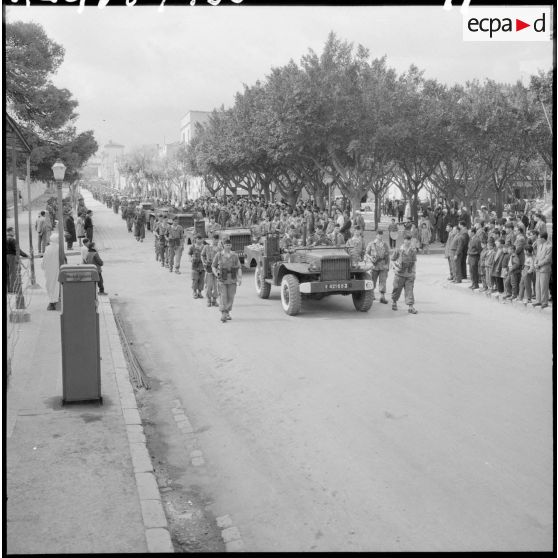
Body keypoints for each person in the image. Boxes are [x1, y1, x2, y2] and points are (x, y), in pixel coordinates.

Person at [212, 238, 242, 323]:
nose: (227, 246)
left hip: (232, 278)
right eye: (226, 245)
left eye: (229, 245)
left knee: (231, 296)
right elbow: (213, 266)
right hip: (222, 278)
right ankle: (223, 313)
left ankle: (227, 311)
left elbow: (239, 267)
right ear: (223, 246)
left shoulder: (234, 255)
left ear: (231, 246)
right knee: (223, 296)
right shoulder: (219, 255)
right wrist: (215, 274)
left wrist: (240, 277)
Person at [391, 232, 418, 314]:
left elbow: (414, 262)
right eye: (407, 240)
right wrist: (395, 267)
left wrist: (414, 273)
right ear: (404, 240)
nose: (408, 242)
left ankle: (410, 306)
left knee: (409, 290)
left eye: (410, 240)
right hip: (399, 274)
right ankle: (394, 302)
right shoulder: (398, 250)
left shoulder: (413, 251)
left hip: (409, 274)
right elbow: (392, 260)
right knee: (397, 290)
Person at [365, 229, 390, 304]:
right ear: (376, 235)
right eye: (379, 234)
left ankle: (382, 297)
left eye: (381, 234)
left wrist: (387, 265)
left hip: (383, 265)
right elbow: (366, 253)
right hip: (374, 265)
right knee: (373, 281)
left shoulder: (385, 244)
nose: (380, 236)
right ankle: (372, 295)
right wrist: (370, 258)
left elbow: (387, 256)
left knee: (383, 281)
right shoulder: (371, 244)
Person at [41, 232, 61, 310]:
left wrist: (43, 266)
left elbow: (44, 260)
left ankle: (51, 301)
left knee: (49, 285)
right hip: (56, 269)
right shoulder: (59, 248)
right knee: (56, 285)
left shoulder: (48, 248)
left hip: (49, 270)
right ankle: (54, 302)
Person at [6, 227, 29, 294]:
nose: (14, 233)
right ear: (9, 232)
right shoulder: (12, 240)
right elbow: (18, 250)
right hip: (12, 257)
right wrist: (26, 255)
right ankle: (13, 289)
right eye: (13, 231)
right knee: (12, 273)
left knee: (7, 274)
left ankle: (9, 289)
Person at [532, 231, 552, 309]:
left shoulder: (549, 246)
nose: (538, 239)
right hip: (538, 268)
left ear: (543, 238)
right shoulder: (540, 245)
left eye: (540, 238)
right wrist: (535, 263)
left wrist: (538, 264)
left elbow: (548, 259)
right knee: (538, 285)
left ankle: (544, 302)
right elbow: (537, 256)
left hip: (544, 268)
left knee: (544, 285)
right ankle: (538, 301)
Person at [201, 233, 221, 307]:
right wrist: (204, 262)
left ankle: (214, 300)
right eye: (214, 239)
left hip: (217, 269)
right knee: (209, 285)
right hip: (209, 267)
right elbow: (202, 255)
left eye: (217, 239)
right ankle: (209, 300)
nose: (216, 241)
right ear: (212, 239)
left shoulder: (220, 249)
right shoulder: (207, 247)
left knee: (216, 286)